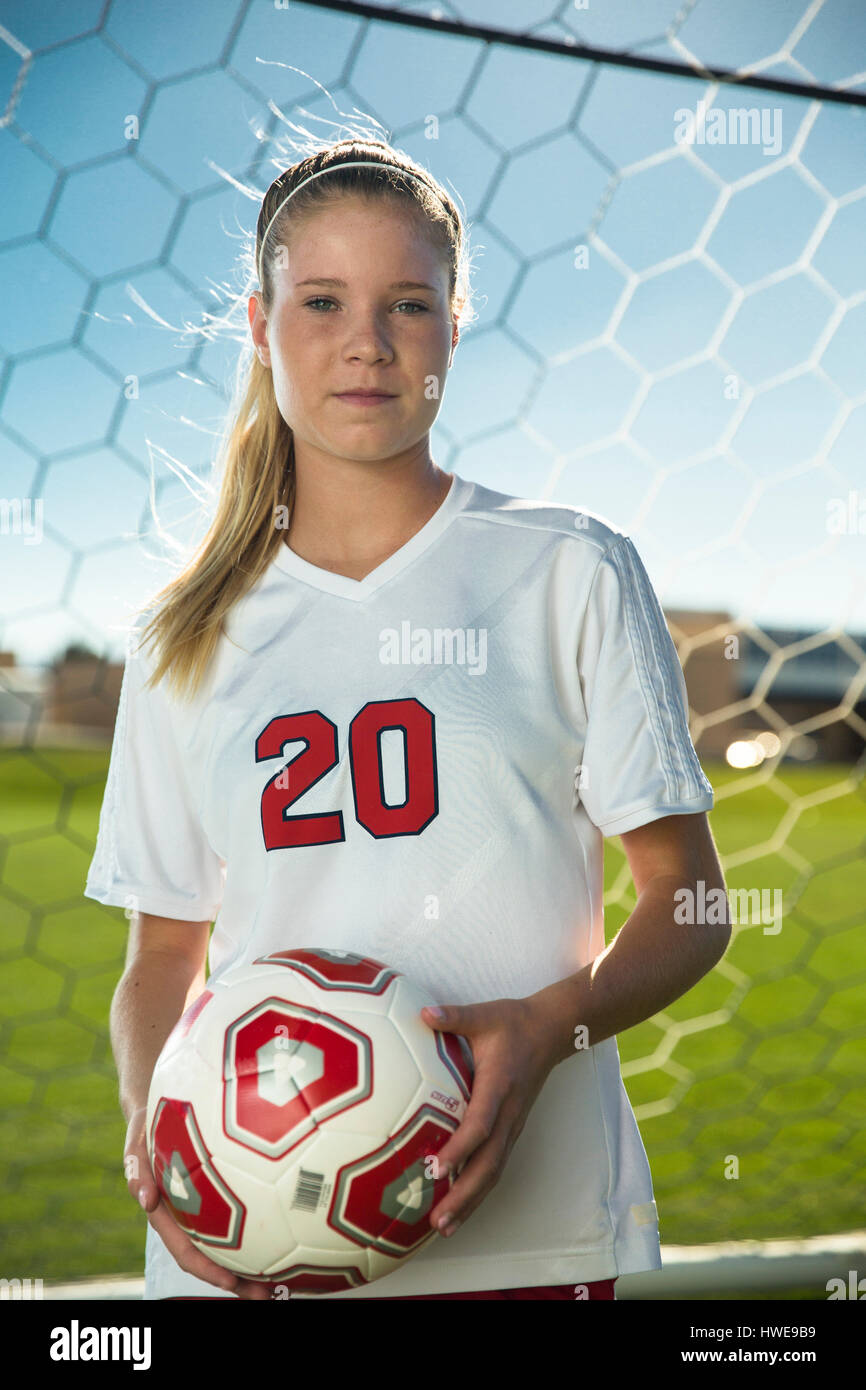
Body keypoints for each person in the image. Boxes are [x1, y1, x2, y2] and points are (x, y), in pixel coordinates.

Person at [84, 136, 730, 1302]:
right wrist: (155, 1122)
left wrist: (549, 1028)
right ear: (258, 322)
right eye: (320, 299)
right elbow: (162, 953)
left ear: (453, 324)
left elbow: (688, 901)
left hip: (530, 1243)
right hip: (241, 1245)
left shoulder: (565, 567)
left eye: (409, 305)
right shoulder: (183, 632)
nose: (366, 342)